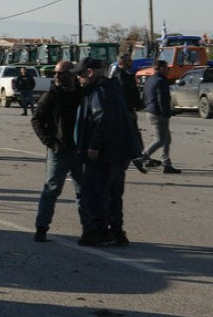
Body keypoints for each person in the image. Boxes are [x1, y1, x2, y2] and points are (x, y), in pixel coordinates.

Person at [75, 57, 143, 247]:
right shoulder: (112, 87)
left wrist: (94, 146)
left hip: (106, 153)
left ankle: (99, 231)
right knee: (113, 193)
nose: (78, 79)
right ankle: (116, 231)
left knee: (94, 191)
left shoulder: (99, 91)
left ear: (90, 73)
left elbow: (103, 120)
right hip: (119, 151)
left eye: (80, 74)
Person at [30, 60, 85, 242]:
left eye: (62, 73)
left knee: (83, 192)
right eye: (56, 73)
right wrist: (50, 142)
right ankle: (41, 228)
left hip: (80, 150)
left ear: (73, 74)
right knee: (51, 190)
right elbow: (36, 120)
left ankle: (89, 229)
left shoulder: (82, 94)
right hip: (59, 150)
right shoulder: (51, 96)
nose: (57, 77)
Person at [138, 60, 180, 174]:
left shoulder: (150, 80)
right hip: (158, 114)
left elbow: (144, 97)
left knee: (166, 139)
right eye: (167, 68)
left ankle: (166, 164)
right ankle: (141, 157)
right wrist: (167, 113)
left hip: (151, 111)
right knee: (160, 140)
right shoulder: (161, 81)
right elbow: (163, 100)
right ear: (161, 68)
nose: (168, 70)